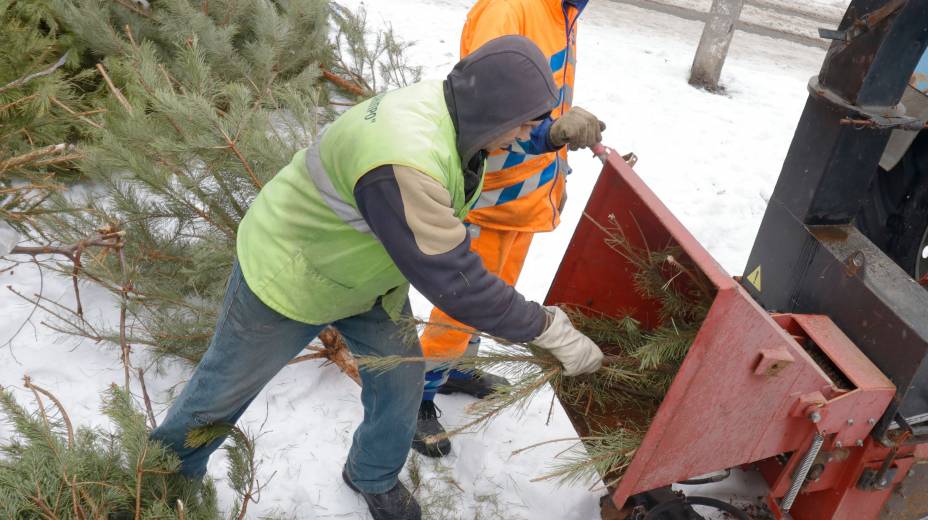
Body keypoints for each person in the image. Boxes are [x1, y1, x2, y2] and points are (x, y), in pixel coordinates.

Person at [149, 36, 605, 520]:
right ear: (493, 112)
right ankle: (157, 487)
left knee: (400, 383)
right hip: (291, 273)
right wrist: (546, 328)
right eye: (524, 125)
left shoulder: (454, 106)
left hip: (367, 278)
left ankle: (371, 474)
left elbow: (482, 143)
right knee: (220, 396)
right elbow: (458, 283)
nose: (521, 135)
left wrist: (548, 137)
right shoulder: (405, 161)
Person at [414, 0, 605, 459]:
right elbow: (484, 108)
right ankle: (415, 397)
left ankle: (458, 366)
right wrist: (549, 134)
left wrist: (556, 142)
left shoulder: (564, 11)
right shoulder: (509, 9)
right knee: (463, 301)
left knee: (493, 292)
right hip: (492, 196)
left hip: (526, 196)